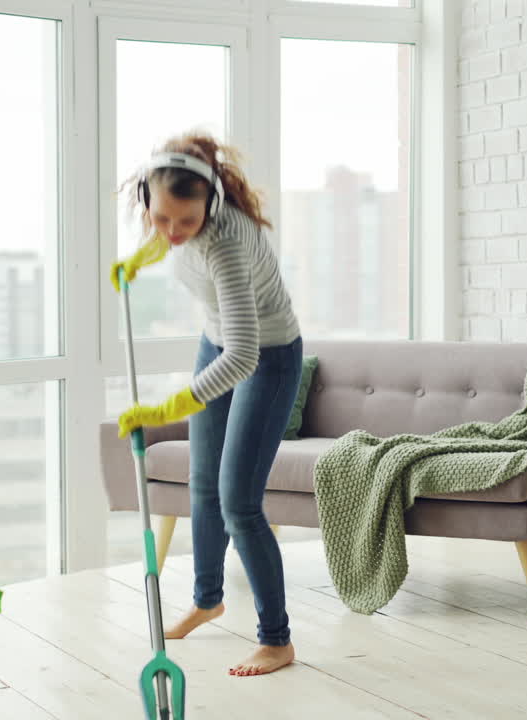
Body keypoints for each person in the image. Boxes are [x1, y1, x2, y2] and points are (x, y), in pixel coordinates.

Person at [112, 132, 302, 677]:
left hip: (266, 355)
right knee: (202, 483)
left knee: (238, 501)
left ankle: (276, 639)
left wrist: (167, 408)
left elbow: (244, 356)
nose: (173, 231)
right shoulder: (175, 227)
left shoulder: (227, 244)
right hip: (216, 342)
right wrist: (139, 260)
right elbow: (168, 241)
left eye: (186, 222)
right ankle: (207, 599)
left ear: (211, 206)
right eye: (160, 218)